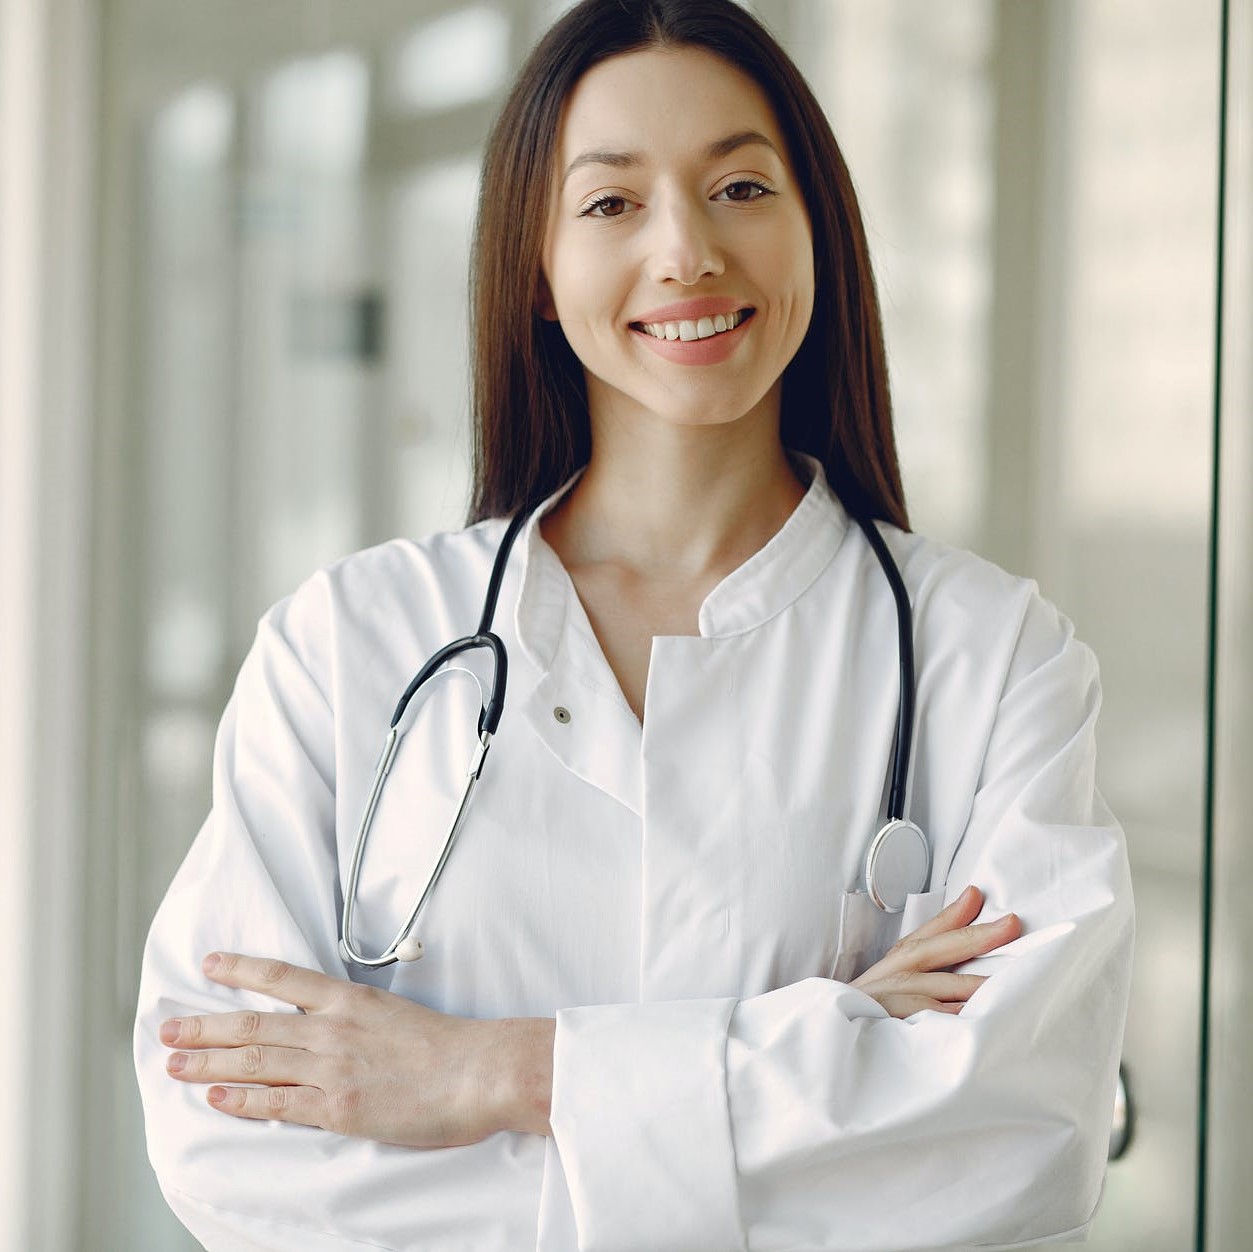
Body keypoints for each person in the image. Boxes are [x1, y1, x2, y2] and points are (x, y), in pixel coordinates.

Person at [134, 1, 1134, 1248]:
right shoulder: (348, 644)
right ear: (536, 272)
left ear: (815, 226)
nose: (686, 251)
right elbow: (232, 1144)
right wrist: (827, 1054)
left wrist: (492, 1076)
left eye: (739, 187)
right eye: (610, 203)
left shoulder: (991, 656)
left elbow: (1016, 1134)